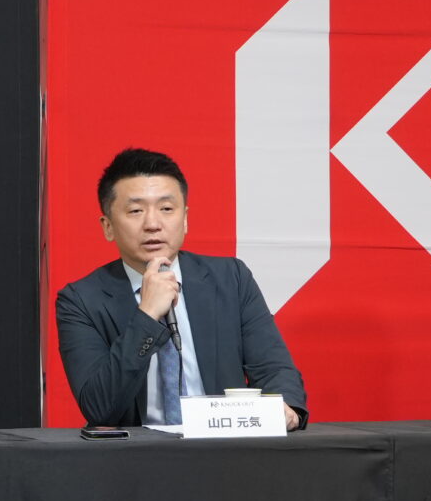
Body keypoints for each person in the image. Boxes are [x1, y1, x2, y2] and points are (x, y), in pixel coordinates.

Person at [55, 148, 305, 429]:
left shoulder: (231, 278)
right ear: (108, 226)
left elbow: (273, 367)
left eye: (166, 209)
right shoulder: (80, 300)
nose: (153, 224)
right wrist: (147, 315)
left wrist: (284, 408)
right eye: (136, 211)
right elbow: (99, 407)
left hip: (225, 445)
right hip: (136, 452)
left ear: (184, 219)